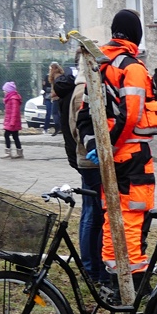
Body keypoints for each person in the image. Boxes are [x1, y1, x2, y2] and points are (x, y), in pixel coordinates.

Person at [77, 9, 157, 295]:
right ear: (135, 34)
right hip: (132, 157)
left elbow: (84, 116)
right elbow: (132, 116)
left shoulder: (97, 66)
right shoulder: (132, 67)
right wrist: (109, 149)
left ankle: (116, 283)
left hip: (110, 159)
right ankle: (136, 290)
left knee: (113, 220)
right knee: (134, 219)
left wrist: (95, 148)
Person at [54, 68, 105, 285]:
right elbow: (80, 128)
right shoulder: (83, 90)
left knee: (91, 214)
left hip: (86, 160)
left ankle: (92, 267)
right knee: (94, 216)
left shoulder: (81, 87)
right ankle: (93, 268)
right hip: (90, 161)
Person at [0, 81, 23, 159]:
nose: (4, 92)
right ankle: (19, 151)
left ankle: (8, 151)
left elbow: (14, 112)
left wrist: (12, 122)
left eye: (5, 90)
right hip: (11, 122)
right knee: (15, 136)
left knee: (7, 135)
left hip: (12, 122)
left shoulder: (13, 99)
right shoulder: (10, 98)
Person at [47, 62, 65, 136]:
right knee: (59, 113)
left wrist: (52, 94)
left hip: (56, 97)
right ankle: (60, 127)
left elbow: (57, 87)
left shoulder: (56, 76)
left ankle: (58, 127)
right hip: (59, 97)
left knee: (55, 113)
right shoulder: (60, 75)